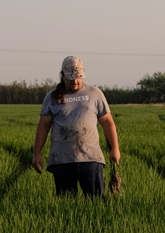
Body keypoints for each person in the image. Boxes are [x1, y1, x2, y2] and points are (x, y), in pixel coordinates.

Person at [32, 56, 120, 197]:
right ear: (62, 76)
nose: (75, 81)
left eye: (78, 77)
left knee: (95, 202)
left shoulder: (94, 94)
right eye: (70, 78)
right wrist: (36, 154)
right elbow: (43, 126)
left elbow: (107, 122)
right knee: (66, 204)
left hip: (91, 158)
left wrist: (115, 149)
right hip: (62, 159)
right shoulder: (52, 97)